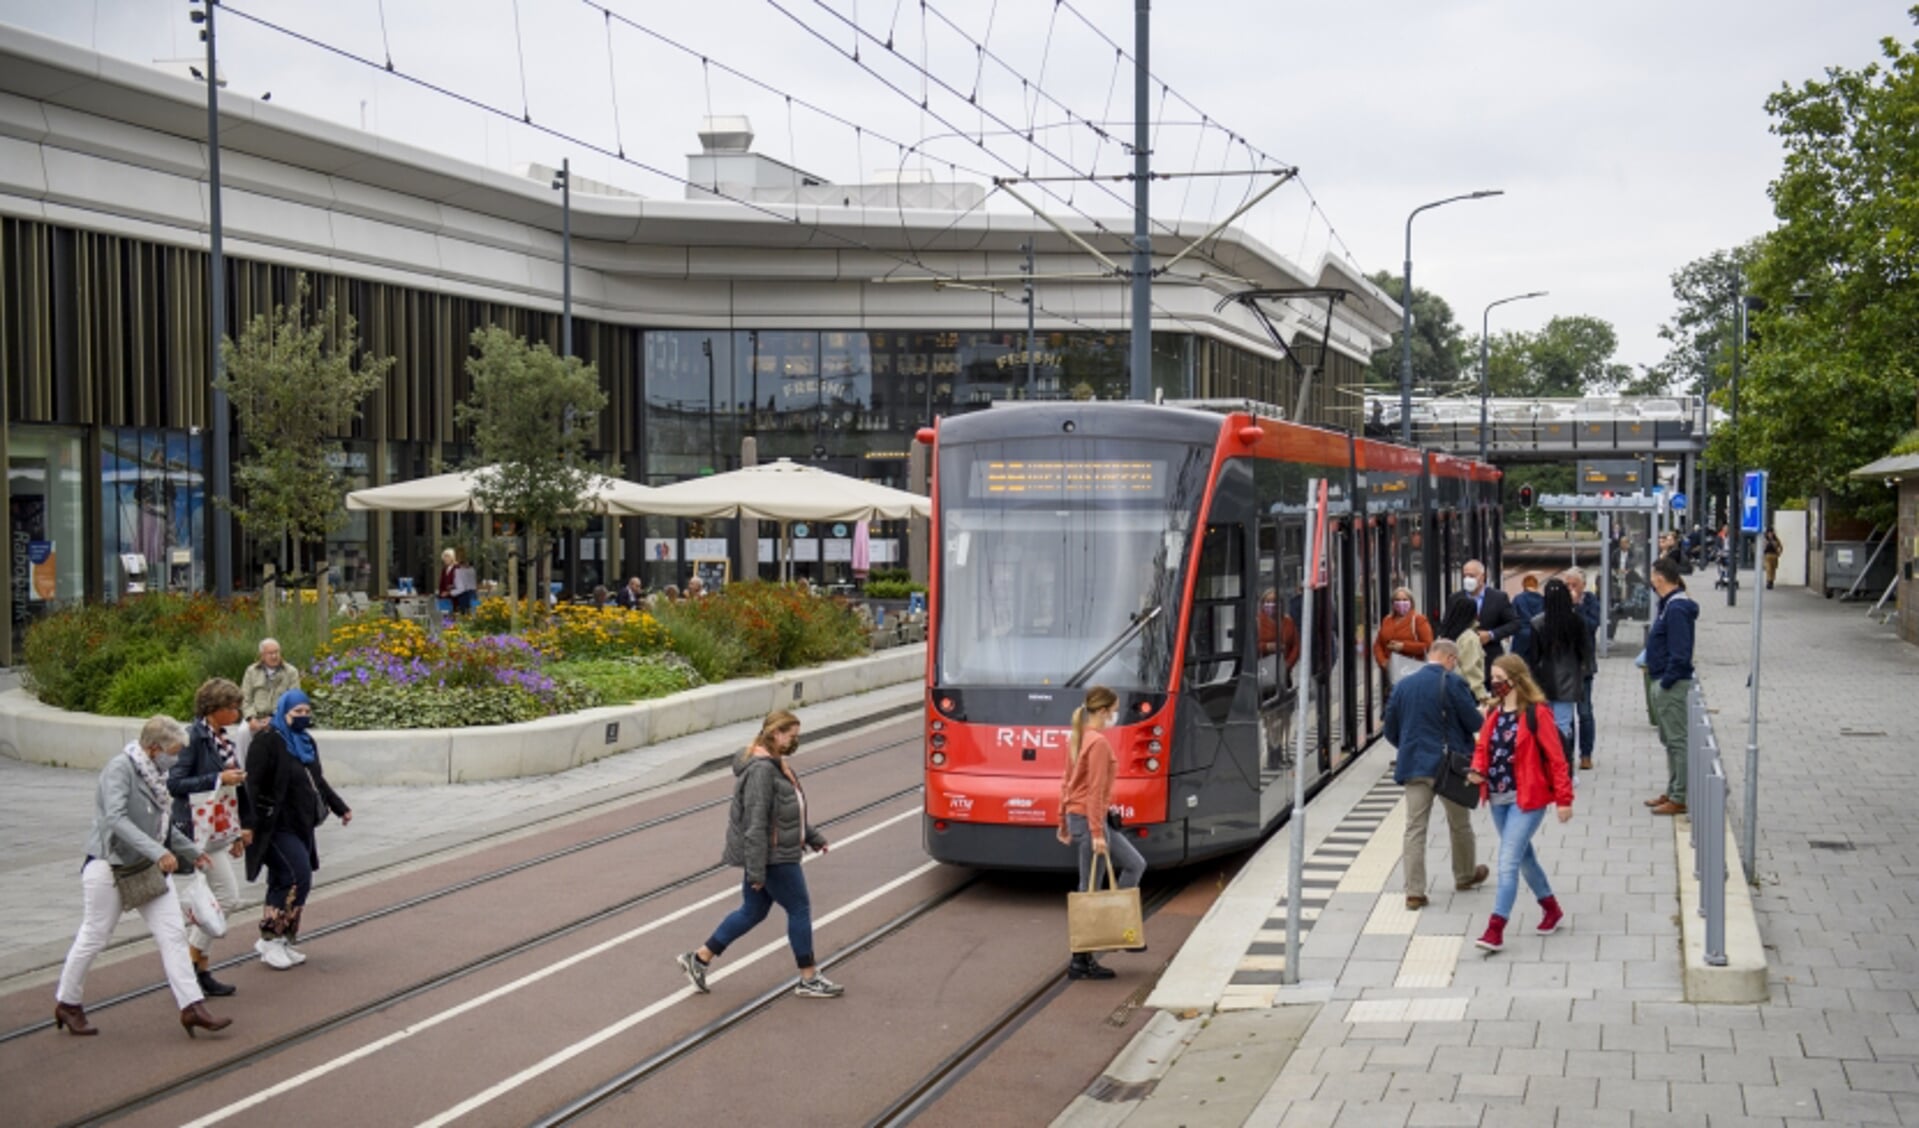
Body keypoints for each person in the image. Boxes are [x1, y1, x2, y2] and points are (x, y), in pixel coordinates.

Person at [54, 716, 231, 1038]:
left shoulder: (156, 773)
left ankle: (192, 1007)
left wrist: (191, 851)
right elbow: (115, 818)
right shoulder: (120, 769)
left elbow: (162, 826)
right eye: (172, 752)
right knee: (95, 935)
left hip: (146, 867)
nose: (175, 759)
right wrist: (158, 852)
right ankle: (68, 1002)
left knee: (173, 934)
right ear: (153, 748)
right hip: (111, 865)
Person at [678, 711, 843, 999]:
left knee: (752, 911)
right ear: (776, 734)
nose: (795, 741)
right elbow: (756, 824)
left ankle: (700, 958)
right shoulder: (762, 771)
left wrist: (812, 837)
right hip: (773, 856)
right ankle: (808, 977)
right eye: (792, 736)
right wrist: (756, 871)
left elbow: (788, 813)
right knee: (799, 909)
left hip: (773, 852)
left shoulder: (776, 764)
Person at [1467, 656, 1575, 952]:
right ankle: (1551, 908)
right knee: (1524, 857)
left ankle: (1495, 929)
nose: (1494, 683)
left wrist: (1564, 800)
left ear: (1516, 679)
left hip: (1527, 800)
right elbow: (1482, 748)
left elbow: (1557, 760)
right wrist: (1477, 768)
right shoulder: (1494, 712)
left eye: (1499, 677)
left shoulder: (1537, 714)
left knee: (1507, 862)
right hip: (1498, 800)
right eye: (1492, 677)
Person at [243, 690, 352, 969]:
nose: (303, 717)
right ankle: (270, 938)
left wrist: (340, 807)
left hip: (301, 824)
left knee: (289, 878)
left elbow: (317, 780)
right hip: (275, 826)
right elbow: (251, 785)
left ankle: (281, 938)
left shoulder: (305, 741)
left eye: (306, 712)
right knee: (295, 874)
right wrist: (249, 825)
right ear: (283, 713)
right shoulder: (267, 741)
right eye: (297, 713)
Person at [1382, 639, 1487, 910]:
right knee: (1459, 823)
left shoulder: (1403, 685)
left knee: (1414, 828)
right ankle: (1464, 875)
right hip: (1448, 767)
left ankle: (1414, 892)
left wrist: (1410, 747)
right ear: (1450, 658)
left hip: (1415, 765)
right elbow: (1475, 722)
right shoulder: (1453, 683)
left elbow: (1390, 729)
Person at [166, 678, 251, 999]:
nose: (237, 712)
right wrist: (218, 777)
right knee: (219, 899)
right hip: (195, 832)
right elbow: (175, 783)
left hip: (218, 829)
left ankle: (196, 965)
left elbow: (232, 792)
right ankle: (195, 966)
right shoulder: (193, 738)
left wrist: (238, 830)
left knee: (225, 898)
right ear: (214, 710)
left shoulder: (221, 737)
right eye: (232, 708)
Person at [1055, 685, 1146, 980]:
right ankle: (1081, 960)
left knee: (1134, 864)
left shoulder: (1079, 737)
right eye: (1115, 710)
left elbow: (1066, 783)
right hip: (1090, 820)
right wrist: (1095, 832)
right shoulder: (1097, 744)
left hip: (1089, 818)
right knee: (1088, 888)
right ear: (1104, 711)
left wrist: (1063, 820)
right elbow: (1092, 791)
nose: (1116, 716)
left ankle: (1117, 925)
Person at [1643, 559, 1698, 816]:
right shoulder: (1670, 606)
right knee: (1670, 740)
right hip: (1664, 679)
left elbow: (1681, 652)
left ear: (1660, 578)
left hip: (1671, 683)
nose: (1651, 580)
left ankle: (1680, 795)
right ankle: (1673, 788)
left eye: (1653, 576)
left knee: (1677, 740)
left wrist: (1666, 681)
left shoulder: (1676, 609)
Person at [1528, 578, 1596, 776]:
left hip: (1543, 682)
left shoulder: (1537, 622)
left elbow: (1534, 657)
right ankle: (1565, 768)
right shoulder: (1576, 621)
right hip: (1569, 682)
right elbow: (1585, 652)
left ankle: (1546, 766)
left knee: (1544, 727)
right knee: (1564, 727)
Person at [1562, 571, 1602, 771]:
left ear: (1583, 585)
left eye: (1574, 584)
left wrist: (1577, 607)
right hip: (1564, 667)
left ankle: (1586, 754)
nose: (1571, 588)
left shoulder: (1591, 602)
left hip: (1584, 665)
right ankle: (1566, 753)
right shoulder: (1559, 603)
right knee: (1565, 714)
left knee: (1584, 712)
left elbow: (1591, 626)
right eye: (1567, 584)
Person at [1461, 560, 1522, 685]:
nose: (1467, 579)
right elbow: (1447, 626)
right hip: (1464, 663)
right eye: (1465, 576)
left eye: (1471, 576)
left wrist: (1491, 635)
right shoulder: (1456, 598)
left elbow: (1515, 623)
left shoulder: (1498, 598)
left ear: (1482, 577)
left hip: (1490, 661)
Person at [1374, 586, 1434, 695]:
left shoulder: (1419, 620)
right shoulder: (1387, 620)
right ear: (1393, 603)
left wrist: (1403, 646)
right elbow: (1378, 644)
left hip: (1412, 670)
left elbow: (1428, 645)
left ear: (1411, 602)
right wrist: (1383, 661)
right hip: (1391, 672)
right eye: (1397, 600)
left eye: (1405, 600)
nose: (1401, 603)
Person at [1435, 591, 1491, 707]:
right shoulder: (1469, 638)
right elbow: (1471, 669)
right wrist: (1481, 695)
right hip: (1464, 692)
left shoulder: (1442, 637)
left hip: (1441, 688)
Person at [241, 638, 301, 733]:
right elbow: (245, 699)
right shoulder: (251, 671)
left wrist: (274, 718)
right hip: (256, 717)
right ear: (262, 655)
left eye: (276, 652)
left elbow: (294, 701)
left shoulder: (291, 672)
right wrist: (251, 718)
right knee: (243, 731)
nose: (274, 656)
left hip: (281, 716)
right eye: (270, 653)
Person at [1510, 574, 1544, 664]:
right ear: (1536, 585)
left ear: (1524, 586)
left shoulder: (1518, 599)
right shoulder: (1543, 599)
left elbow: (1511, 617)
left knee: (1519, 665)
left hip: (1521, 636)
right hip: (1539, 636)